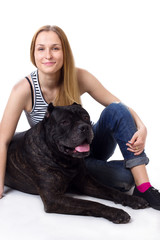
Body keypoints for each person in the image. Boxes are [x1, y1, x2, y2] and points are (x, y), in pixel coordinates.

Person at [0, 25, 160, 210]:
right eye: (41, 49)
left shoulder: (79, 76)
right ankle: (130, 171)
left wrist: (142, 127)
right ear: (33, 54)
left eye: (55, 48)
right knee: (125, 178)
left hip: (88, 145)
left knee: (115, 110)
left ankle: (144, 186)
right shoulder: (23, 89)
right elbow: (2, 140)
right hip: (61, 162)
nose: (48, 55)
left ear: (64, 52)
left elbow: (118, 105)